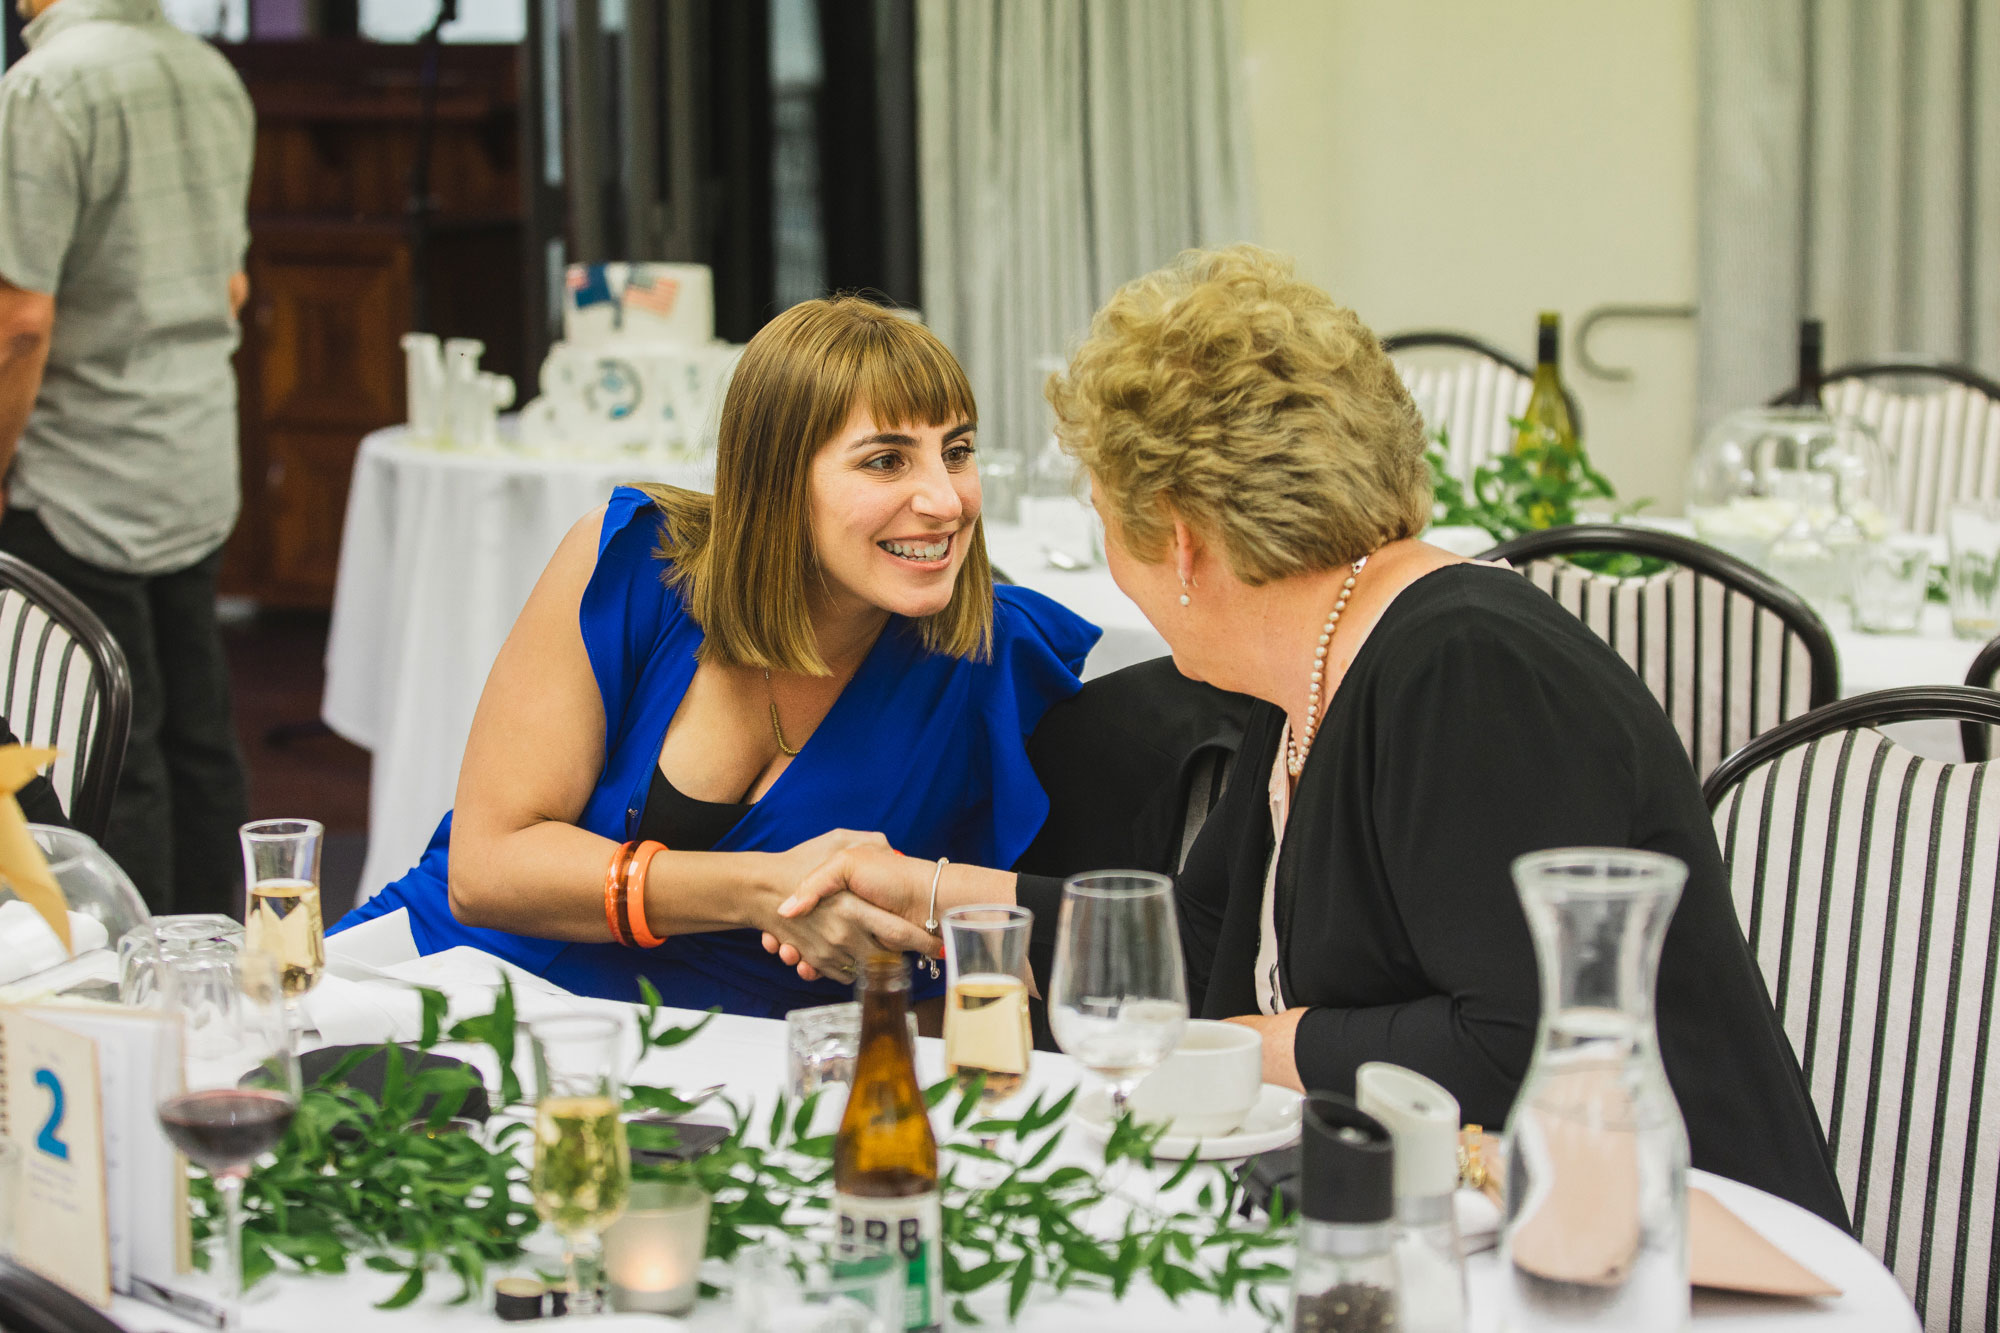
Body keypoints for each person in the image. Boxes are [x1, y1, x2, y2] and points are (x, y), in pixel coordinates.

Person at [767, 245, 1851, 1228]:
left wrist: (1222, 1053)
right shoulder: (1308, 671)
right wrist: (918, 889)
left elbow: (1513, 1047)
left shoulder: (1466, 668)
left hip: (1671, 1246)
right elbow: (1188, 951)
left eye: (1106, 517)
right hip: (1471, 1218)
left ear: (1182, 543)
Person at [331, 296, 1100, 1017]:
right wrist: (757, 888)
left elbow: (966, 970)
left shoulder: (993, 661)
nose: (947, 499)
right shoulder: (638, 562)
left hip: (715, 1071)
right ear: (777, 479)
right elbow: (485, 871)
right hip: (449, 983)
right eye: (886, 461)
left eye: (956, 451)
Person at [0, 0, 254, 914]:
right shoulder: (210, 73)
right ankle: (220, 963)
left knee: (110, 748)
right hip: (191, 454)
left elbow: (19, 322)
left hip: (81, 464)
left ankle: (133, 990)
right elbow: (233, 284)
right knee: (197, 731)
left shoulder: (45, 87)